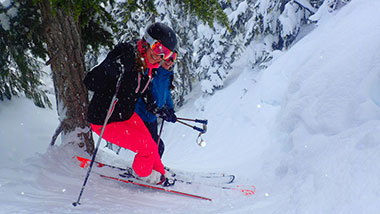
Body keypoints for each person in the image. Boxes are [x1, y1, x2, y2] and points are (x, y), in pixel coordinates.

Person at [83, 22, 177, 185]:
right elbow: (90, 81)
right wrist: (112, 66)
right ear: (147, 42)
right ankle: (144, 174)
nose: (159, 56)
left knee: (152, 143)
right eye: (157, 48)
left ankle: (159, 172)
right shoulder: (126, 54)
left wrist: (156, 107)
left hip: (124, 115)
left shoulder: (149, 67)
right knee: (146, 148)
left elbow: (143, 90)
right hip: (104, 119)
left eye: (166, 54)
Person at [135, 51, 178, 158]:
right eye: (168, 58)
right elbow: (143, 92)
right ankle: (145, 171)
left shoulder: (167, 75)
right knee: (153, 147)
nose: (170, 62)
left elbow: (166, 93)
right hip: (141, 116)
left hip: (152, 118)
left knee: (155, 147)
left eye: (173, 58)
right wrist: (152, 106)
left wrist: (170, 109)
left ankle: (151, 169)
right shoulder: (152, 72)